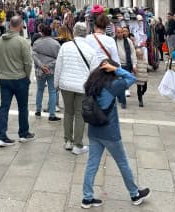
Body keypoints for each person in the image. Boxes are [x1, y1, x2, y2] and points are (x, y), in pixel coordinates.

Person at [81, 60, 150, 208]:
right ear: (111, 71)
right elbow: (132, 78)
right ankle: (134, 194)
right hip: (110, 132)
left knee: (92, 164)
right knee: (123, 162)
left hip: (93, 129)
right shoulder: (113, 85)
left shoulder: (91, 84)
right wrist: (117, 69)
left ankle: (87, 198)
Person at [54, 22, 100, 155]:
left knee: (68, 112)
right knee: (80, 114)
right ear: (86, 33)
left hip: (66, 85)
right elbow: (94, 72)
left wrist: (56, 83)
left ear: (74, 32)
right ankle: (77, 145)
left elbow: (58, 66)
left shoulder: (65, 47)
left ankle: (67, 141)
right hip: (82, 86)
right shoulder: (91, 50)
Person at [0, 16, 34, 147]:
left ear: (10, 24)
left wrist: (0, 73)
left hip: (4, 78)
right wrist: (27, 76)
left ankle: (1, 136)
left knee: (4, 107)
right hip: (19, 78)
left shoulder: (0, 41)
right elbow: (28, 62)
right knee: (23, 107)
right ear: (20, 25)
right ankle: (23, 133)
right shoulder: (22, 41)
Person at [32, 24, 61, 121]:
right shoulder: (56, 44)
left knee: (40, 90)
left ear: (42, 32)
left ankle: (38, 110)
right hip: (51, 70)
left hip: (40, 70)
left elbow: (34, 56)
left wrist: (42, 66)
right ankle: (51, 114)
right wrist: (49, 66)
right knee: (52, 91)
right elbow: (59, 59)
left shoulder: (36, 43)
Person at [115, 27, 138, 109]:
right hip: (117, 66)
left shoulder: (128, 41)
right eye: (118, 32)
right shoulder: (113, 41)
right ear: (115, 32)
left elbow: (133, 53)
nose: (120, 34)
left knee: (122, 84)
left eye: (121, 32)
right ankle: (122, 100)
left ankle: (121, 98)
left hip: (127, 65)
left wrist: (134, 65)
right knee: (120, 83)